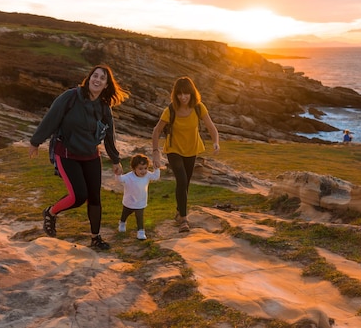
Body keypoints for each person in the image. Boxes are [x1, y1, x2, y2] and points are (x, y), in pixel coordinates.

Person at [28, 64, 128, 250]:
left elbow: (109, 135)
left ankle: (95, 238)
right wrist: (36, 141)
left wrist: (115, 160)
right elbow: (51, 118)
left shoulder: (104, 107)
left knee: (95, 198)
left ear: (106, 85)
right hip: (66, 153)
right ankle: (50, 212)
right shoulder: (70, 97)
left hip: (90, 155)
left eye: (102, 78)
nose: (97, 80)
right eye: (94, 76)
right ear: (89, 78)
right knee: (78, 196)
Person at [151, 76, 220, 232]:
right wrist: (155, 152)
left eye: (186, 93)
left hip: (191, 149)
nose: (183, 97)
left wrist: (215, 142)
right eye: (180, 94)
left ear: (192, 93)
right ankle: (183, 219)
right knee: (181, 180)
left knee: (185, 183)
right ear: (175, 95)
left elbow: (211, 126)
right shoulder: (170, 110)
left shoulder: (198, 107)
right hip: (173, 149)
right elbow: (156, 131)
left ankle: (178, 211)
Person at [116, 153, 160, 240]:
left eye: (145, 168)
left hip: (141, 202)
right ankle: (122, 222)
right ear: (134, 168)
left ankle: (141, 231)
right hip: (129, 201)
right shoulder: (129, 176)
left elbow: (155, 177)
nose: (143, 171)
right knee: (125, 213)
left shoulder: (147, 175)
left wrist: (156, 168)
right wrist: (118, 174)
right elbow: (120, 179)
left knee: (139, 216)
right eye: (140, 169)